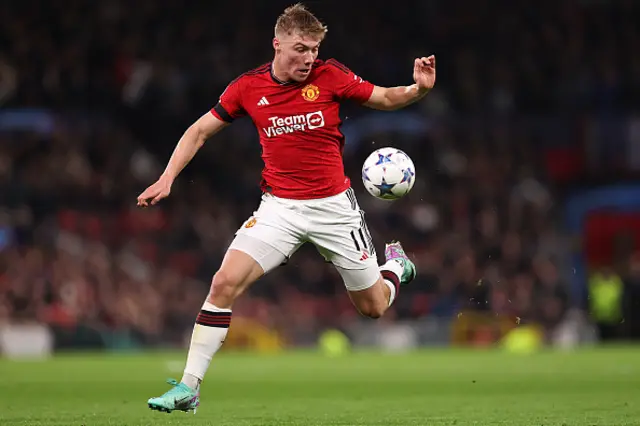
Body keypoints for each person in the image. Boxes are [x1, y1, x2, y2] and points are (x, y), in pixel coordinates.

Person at [137, 3, 436, 414]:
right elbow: (200, 130)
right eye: (301, 48)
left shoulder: (330, 76)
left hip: (334, 209)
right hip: (279, 209)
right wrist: (167, 177)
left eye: (314, 48)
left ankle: (395, 267)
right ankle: (189, 388)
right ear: (278, 44)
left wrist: (416, 90)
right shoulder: (248, 87)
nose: (309, 57)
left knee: (374, 308)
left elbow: (382, 97)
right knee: (223, 283)